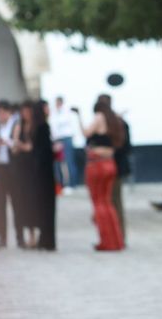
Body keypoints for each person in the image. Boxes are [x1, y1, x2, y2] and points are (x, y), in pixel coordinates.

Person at [79, 103, 125, 252]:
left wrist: (78, 116)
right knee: (107, 203)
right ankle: (117, 241)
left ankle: (106, 242)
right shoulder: (114, 120)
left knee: (98, 204)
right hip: (110, 164)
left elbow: (86, 133)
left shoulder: (99, 117)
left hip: (96, 164)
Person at [95, 94, 131, 235]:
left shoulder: (115, 124)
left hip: (111, 167)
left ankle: (116, 236)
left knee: (113, 201)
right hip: (113, 166)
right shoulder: (118, 122)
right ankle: (115, 235)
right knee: (113, 201)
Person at [9, 101, 42, 249]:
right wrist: (18, 144)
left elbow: (31, 147)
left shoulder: (36, 127)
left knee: (34, 202)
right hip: (21, 168)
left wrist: (21, 146)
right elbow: (16, 148)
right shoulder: (19, 126)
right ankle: (27, 236)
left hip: (33, 169)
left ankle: (35, 235)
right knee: (23, 203)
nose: (25, 114)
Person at [28, 99, 57, 251]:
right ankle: (48, 241)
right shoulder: (44, 127)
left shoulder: (35, 127)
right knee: (48, 207)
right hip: (45, 173)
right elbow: (45, 152)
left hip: (38, 173)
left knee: (42, 207)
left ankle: (44, 239)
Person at [0, 100, 22, 248]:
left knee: (17, 203)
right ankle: (2, 237)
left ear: (8, 112)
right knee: (0, 204)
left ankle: (20, 237)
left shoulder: (16, 124)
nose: (0, 115)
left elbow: (17, 144)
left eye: (2, 112)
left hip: (13, 168)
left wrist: (8, 142)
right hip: (1, 167)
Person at [50, 96, 80, 190]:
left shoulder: (67, 112)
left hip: (66, 138)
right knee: (58, 163)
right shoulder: (54, 113)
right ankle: (61, 184)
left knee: (69, 161)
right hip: (57, 139)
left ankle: (72, 184)